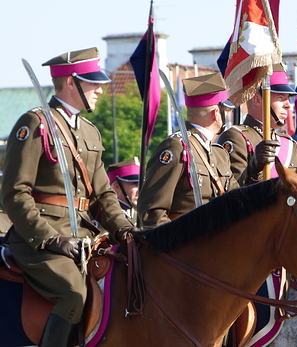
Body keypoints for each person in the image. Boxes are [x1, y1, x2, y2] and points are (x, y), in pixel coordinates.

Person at [1, 47, 135, 347]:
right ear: (72, 83)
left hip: (85, 237)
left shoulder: (89, 131)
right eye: (93, 82)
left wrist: (124, 229)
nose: (100, 88)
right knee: (73, 294)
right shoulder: (34, 124)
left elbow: (102, 195)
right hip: (40, 239)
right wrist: (48, 238)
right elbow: (14, 193)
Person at [138, 72, 239, 226]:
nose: (230, 115)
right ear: (216, 114)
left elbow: (238, 201)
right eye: (227, 110)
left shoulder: (219, 153)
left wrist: (255, 168)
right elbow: (151, 211)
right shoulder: (176, 147)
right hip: (185, 246)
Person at [217, 65, 297, 186]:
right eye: (280, 98)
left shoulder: (290, 144)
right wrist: (254, 168)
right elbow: (232, 192)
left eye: (288, 99)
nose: (288, 105)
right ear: (257, 100)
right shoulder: (236, 137)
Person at [107, 157, 140, 225]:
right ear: (117, 186)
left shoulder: (140, 217)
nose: (139, 190)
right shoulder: (107, 217)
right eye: (135, 184)